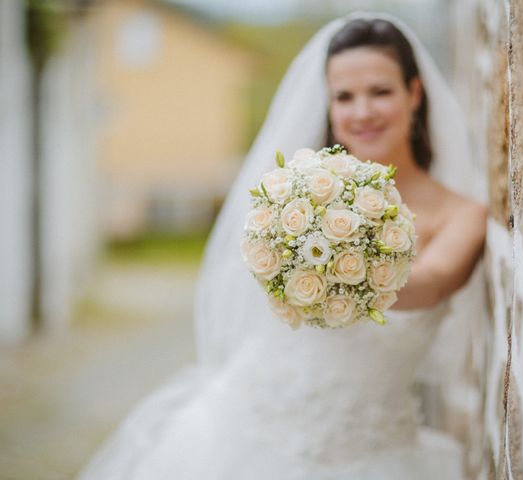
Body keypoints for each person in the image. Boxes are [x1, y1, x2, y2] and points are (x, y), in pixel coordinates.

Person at [78, 12, 487, 480]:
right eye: (344, 97)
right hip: (240, 432)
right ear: (328, 105)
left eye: (380, 91)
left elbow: (431, 283)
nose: (361, 112)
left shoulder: (462, 216)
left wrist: (335, 263)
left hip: (369, 455)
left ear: (414, 94)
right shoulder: (300, 195)